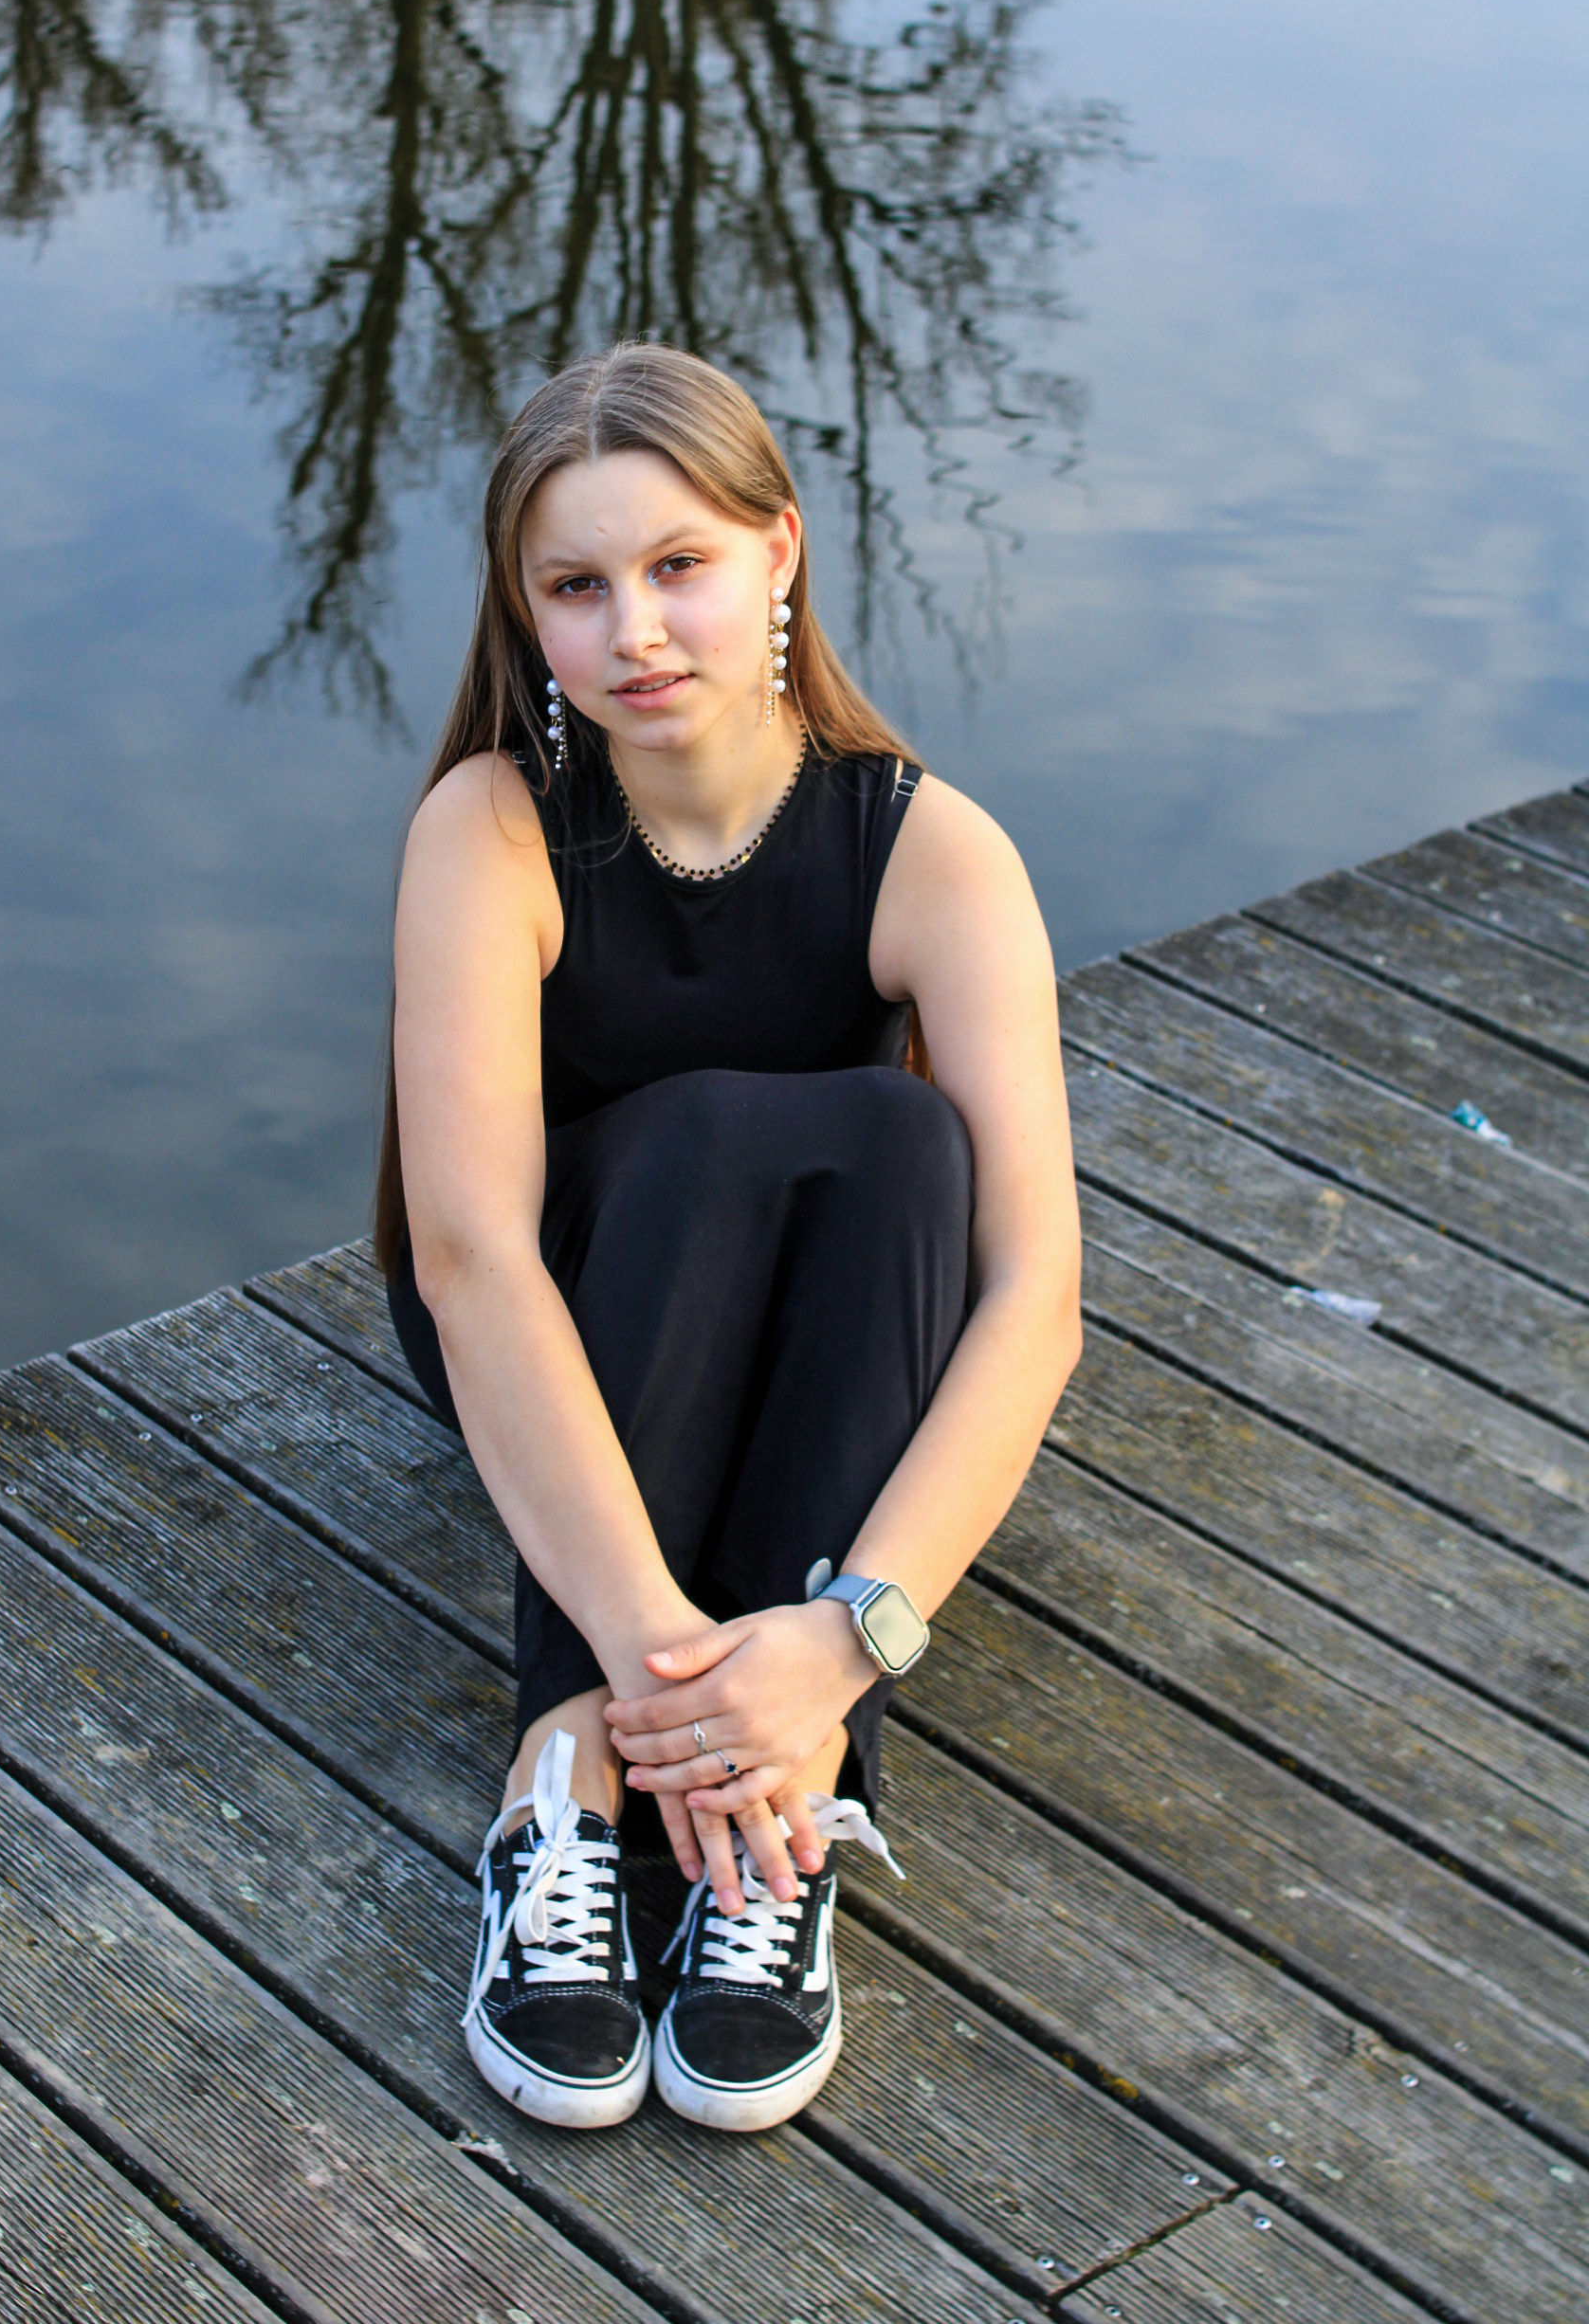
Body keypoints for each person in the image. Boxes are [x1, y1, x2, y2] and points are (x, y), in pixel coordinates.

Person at [381, 345, 1081, 2135]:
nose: (634, 631)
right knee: (702, 1125)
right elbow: (470, 1261)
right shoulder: (492, 830)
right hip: (551, 1316)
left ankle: (784, 1810)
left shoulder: (931, 849)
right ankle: (567, 1780)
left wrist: (846, 1646)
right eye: (576, 586)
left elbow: (1034, 1298)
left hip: (821, 1340)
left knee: (905, 1142)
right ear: (525, 610)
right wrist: (642, 1664)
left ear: (779, 552)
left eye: (678, 564)